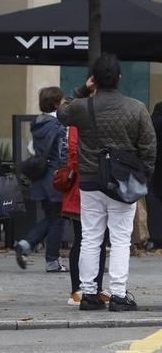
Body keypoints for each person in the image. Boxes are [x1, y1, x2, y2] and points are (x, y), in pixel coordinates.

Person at [58, 54, 156, 312]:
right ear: (119, 79)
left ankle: (89, 293)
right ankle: (119, 295)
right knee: (121, 239)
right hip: (123, 181)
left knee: (91, 238)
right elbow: (148, 145)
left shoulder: (82, 107)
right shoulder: (136, 107)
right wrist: (143, 174)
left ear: (94, 80)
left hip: (90, 181)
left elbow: (62, 112)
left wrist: (82, 89)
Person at [14, 87, 68, 273]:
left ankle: (26, 244)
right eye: (62, 101)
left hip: (41, 178)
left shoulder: (38, 123)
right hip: (55, 177)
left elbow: (32, 148)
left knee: (52, 217)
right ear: (56, 103)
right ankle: (51, 260)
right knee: (57, 219)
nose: (65, 103)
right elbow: (63, 152)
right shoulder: (59, 125)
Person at [60, 125, 110, 307]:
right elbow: (74, 156)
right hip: (83, 188)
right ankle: (78, 288)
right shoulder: (78, 122)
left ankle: (94, 287)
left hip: (94, 184)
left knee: (99, 240)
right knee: (83, 238)